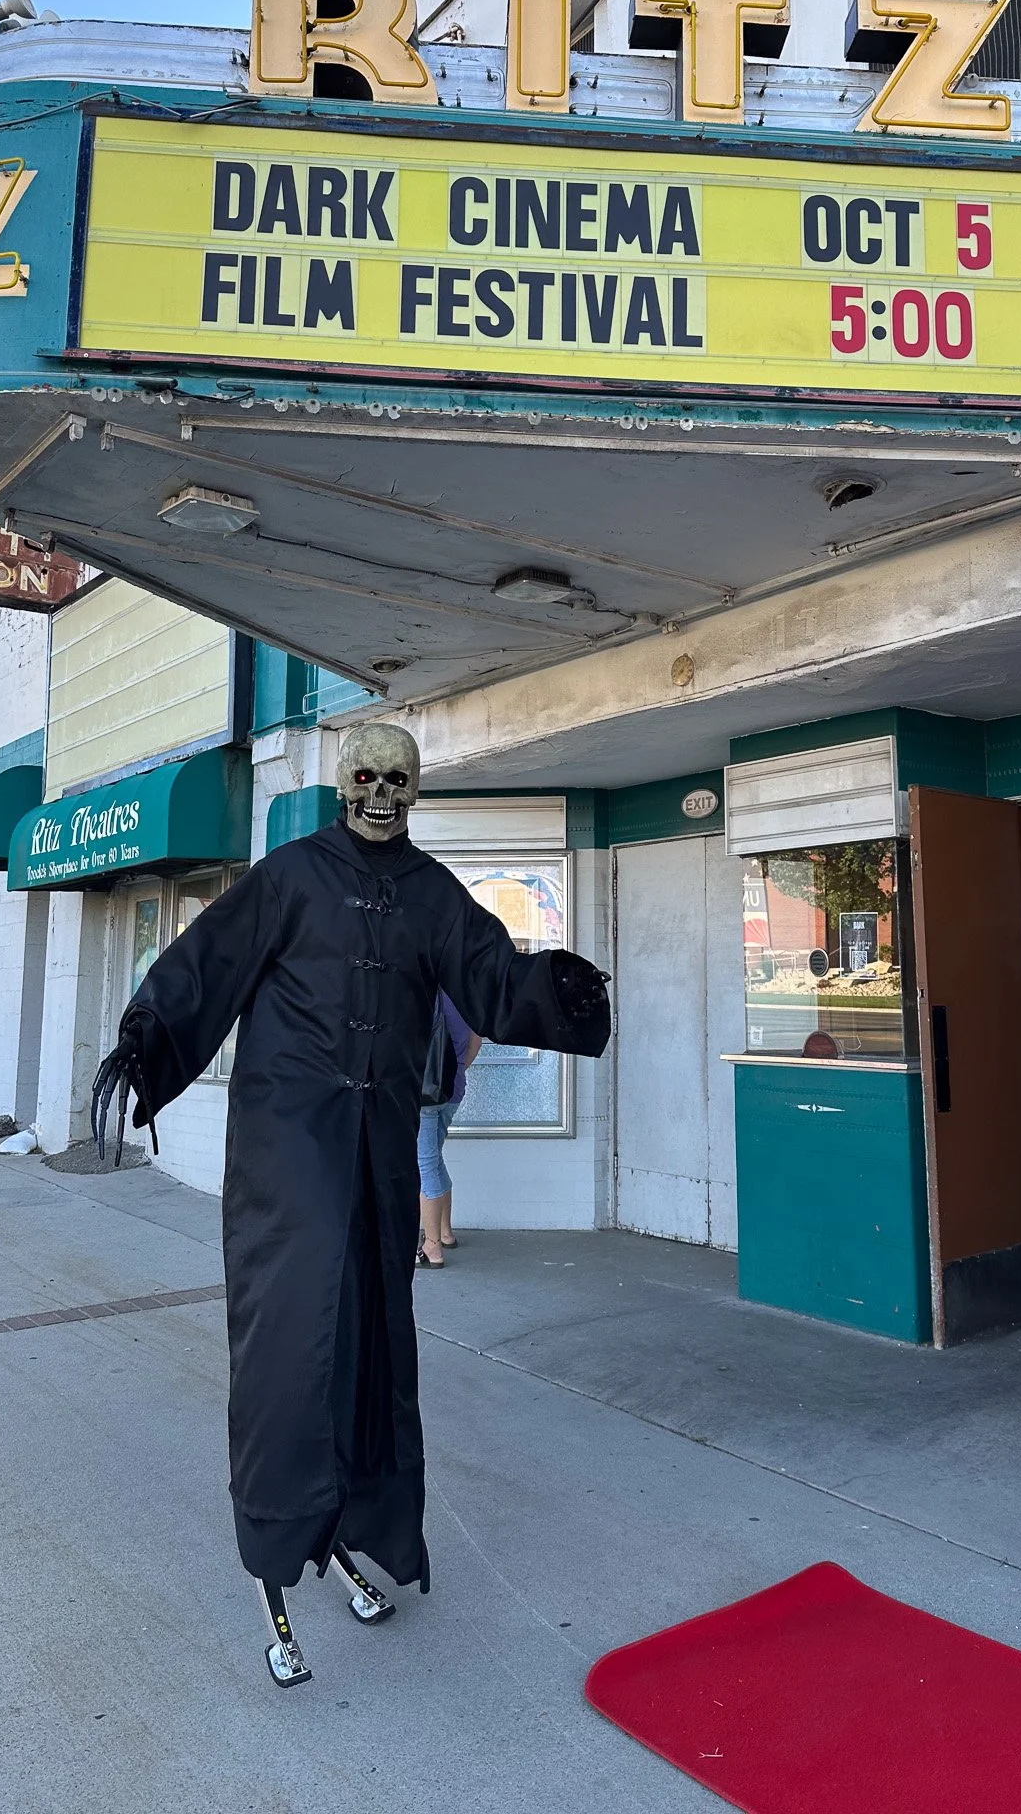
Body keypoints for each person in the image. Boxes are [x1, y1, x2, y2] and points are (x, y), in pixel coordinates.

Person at [90, 723, 610, 1688]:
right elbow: (209, 959)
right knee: (291, 1346)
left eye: (398, 781)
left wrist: (561, 989)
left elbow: (493, 982)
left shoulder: (433, 896)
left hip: (377, 1161)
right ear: (343, 787)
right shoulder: (289, 876)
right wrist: (146, 1038)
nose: (382, 795)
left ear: (415, 792)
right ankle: (278, 1544)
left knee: (371, 1342)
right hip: (289, 1151)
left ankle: (350, 1524)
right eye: (366, 778)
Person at [417, 991, 479, 1269]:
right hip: (452, 1091)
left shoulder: (425, 994)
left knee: (425, 1165)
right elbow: (475, 1041)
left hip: (425, 1094)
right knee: (435, 1158)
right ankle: (445, 1232)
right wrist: (458, 1071)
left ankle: (432, 1247)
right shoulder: (465, 994)